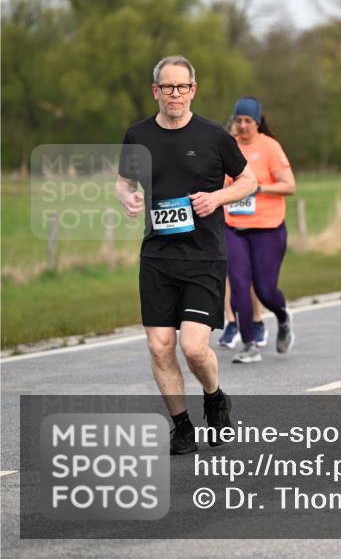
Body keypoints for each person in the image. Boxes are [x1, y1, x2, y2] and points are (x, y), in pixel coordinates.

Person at [116, 55, 257, 454]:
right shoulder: (138, 134)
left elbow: (249, 180)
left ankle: (214, 397)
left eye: (181, 87)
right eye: (166, 87)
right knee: (159, 346)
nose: (174, 94)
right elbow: (124, 181)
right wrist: (128, 198)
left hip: (204, 258)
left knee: (194, 348)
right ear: (155, 91)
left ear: (192, 90)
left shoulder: (214, 137)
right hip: (157, 258)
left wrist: (218, 197)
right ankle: (181, 426)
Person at [223, 97, 297, 363]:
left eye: (247, 121)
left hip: (268, 228)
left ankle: (282, 316)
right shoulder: (228, 147)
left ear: (257, 122)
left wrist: (259, 188)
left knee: (265, 290)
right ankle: (249, 343)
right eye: (238, 120)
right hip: (234, 227)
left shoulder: (269, 147)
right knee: (240, 286)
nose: (242, 126)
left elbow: (289, 185)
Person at [219, 114, 267, 349]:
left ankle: (257, 320)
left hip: (251, 223)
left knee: (249, 277)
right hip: (225, 223)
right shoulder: (218, 155)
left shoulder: (252, 156)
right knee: (227, 276)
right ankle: (231, 322)